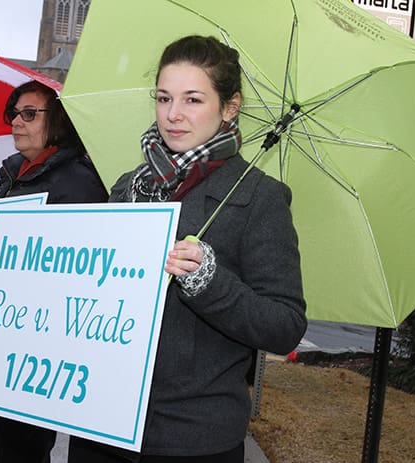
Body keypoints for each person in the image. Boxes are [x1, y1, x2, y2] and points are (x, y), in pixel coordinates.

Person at [67, 35, 307, 462]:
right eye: (163, 98)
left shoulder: (260, 198)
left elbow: (284, 325)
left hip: (192, 442)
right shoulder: (128, 187)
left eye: (192, 99)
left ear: (229, 107)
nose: (173, 115)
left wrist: (209, 282)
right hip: (98, 426)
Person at [0, 79, 108, 462]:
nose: (16, 122)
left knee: (21, 451)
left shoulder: (79, 184)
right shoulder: (13, 175)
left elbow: (83, 270)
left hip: (36, 350)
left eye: (29, 113)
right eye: (14, 114)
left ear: (58, 121)